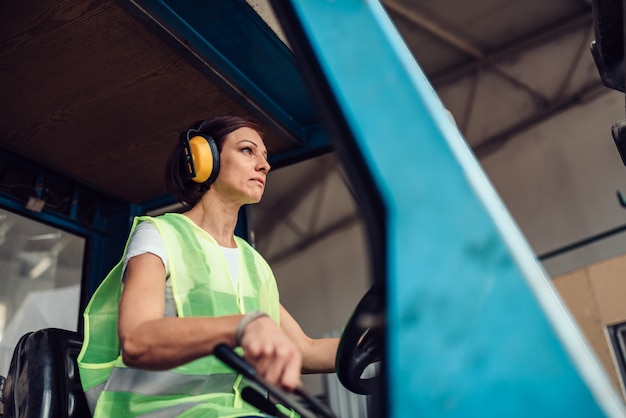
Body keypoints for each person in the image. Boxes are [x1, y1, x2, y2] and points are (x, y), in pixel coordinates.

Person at [77, 115, 339, 417]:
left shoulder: (254, 264)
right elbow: (137, 339)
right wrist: (243, 326)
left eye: (265, 157)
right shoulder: (160, 235)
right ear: (205, 158)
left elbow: (304, 350)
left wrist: (388, 345)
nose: (265, 165)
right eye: (247, 150)